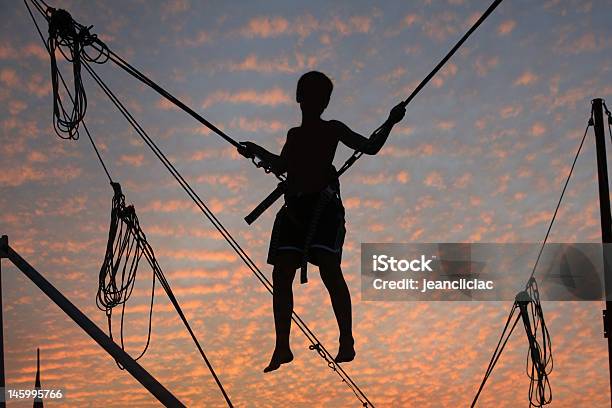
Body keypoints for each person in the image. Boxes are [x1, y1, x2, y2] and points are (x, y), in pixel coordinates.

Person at [238, 71, 405, 373]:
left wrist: (391, 121)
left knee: (329, 268)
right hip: (295, 209)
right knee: (281, 274)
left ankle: (346, 339)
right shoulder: (294, 135)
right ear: (300, 98)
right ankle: (282, 345)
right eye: (311, 95)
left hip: (323, 207)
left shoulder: (333, 129)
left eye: (321, 97)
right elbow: (280, 164)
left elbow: (370, 146)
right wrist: (255, 150)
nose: (316, 102)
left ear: (325, 102)